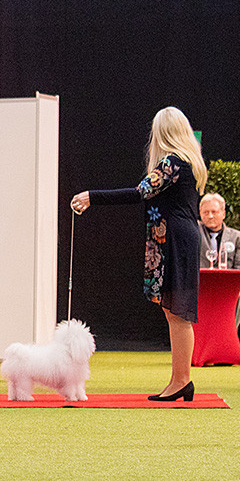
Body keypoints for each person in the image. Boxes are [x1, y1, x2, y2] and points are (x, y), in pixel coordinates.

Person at [71, 106, 207, 402]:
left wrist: (93, 197)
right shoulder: (188, 162)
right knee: (175, 313)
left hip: (176, 239)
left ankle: (182, 380)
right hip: (177, 237)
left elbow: (140, 192)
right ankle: (180, 380)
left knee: (178, 313)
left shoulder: (172, 162)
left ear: (163, 133)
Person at [198, 193, 240, 270]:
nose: (210, 216)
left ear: (223, 214)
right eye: (206, 212)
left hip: (228, 281)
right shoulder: (195, 232)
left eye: (214, 212)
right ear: (200, 213)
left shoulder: (237, 238)